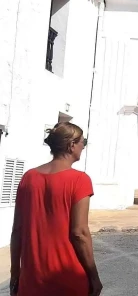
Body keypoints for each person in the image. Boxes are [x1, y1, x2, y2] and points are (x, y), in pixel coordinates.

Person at [9, 122, 102, 296]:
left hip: (32, 280)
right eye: (83, 141)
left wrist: (15, 275)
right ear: (72, 145)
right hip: (67, 277)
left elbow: (17, 231)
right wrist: (94, 276)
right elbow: (79, 233)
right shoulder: (79, 180)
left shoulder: (28, 178)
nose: (84, 146)